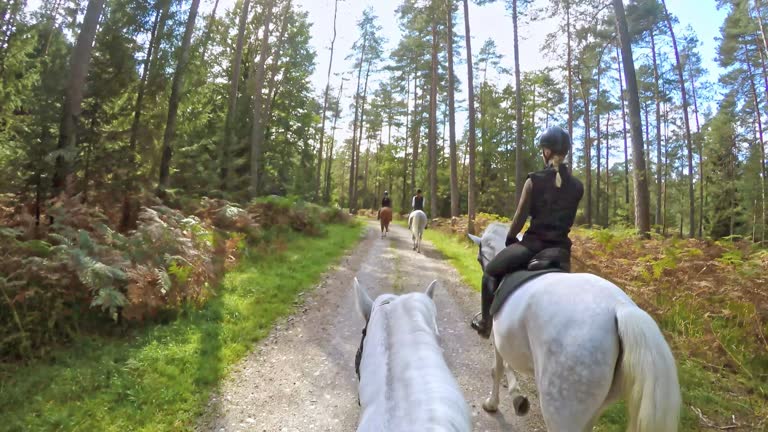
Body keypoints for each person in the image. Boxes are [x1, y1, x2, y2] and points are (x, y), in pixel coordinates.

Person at [471, 126, 584, 339]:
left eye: (543, 150)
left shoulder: (534, 181)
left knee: (490, 272)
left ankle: (485, 324)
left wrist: (511, 238)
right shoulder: (577, 186)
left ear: (548, 152)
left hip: (533, 247)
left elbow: (519, 219)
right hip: (561, 252)